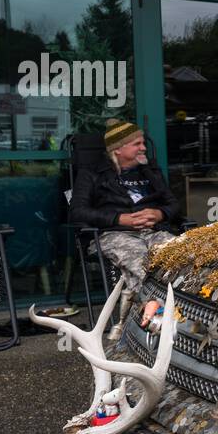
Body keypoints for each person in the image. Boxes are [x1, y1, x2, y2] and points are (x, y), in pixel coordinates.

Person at [70, 119, 180, 339]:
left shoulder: (149, 171)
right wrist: (120, 218)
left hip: (153, 230)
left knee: (178, 255)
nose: (143, 148)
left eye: (142, 143)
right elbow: (78, 211)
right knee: (140, 260)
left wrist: (160, 213)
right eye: (137, 144)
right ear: (118, 149)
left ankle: (168, 310)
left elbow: (174, 204)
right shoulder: (92, 173)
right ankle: (157, 315)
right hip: (113, 234)